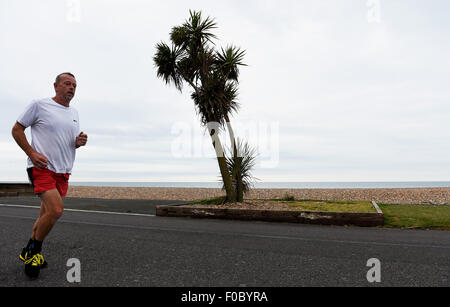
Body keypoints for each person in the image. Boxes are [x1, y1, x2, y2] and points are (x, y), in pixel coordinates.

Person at [11, 72, 88, 278]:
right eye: (67, 83)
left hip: (63, 170)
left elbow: (67, 141)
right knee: (55, 210)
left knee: (45, 214)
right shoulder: (39, 105)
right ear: (55, 86)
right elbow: (17, 129)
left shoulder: (75, 113)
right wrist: (31, 153)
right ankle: (34, 253)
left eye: (74, 85)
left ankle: (28, 249)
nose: (71, 87)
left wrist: (77, 142)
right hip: (41, 167)